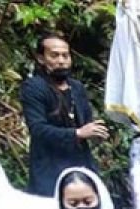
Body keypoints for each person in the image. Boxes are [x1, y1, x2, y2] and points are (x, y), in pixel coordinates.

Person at [20, 32, 107, 197]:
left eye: (65, 56)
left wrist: (95, 132)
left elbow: (85, 123)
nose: (61, 61)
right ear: (41, 58)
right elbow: (38, 130)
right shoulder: (34, 87)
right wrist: (77, 133)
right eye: (54, 55)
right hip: (49, 169)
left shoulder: (77, 88)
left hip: (81, 165)